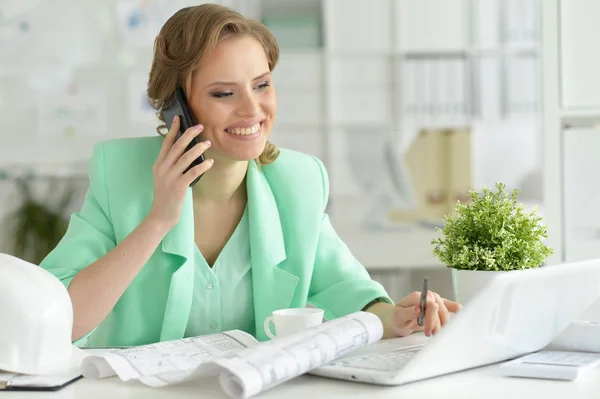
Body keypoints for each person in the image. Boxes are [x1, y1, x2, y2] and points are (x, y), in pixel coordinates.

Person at [39, 3, 461, 348]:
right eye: (223, 93)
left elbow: (343, 288)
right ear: (176, 108)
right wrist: (160, 220)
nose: (253, 110)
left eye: (261, 85)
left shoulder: (297, 181)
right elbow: (60, 319)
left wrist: (398, 316)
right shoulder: (122, 177)